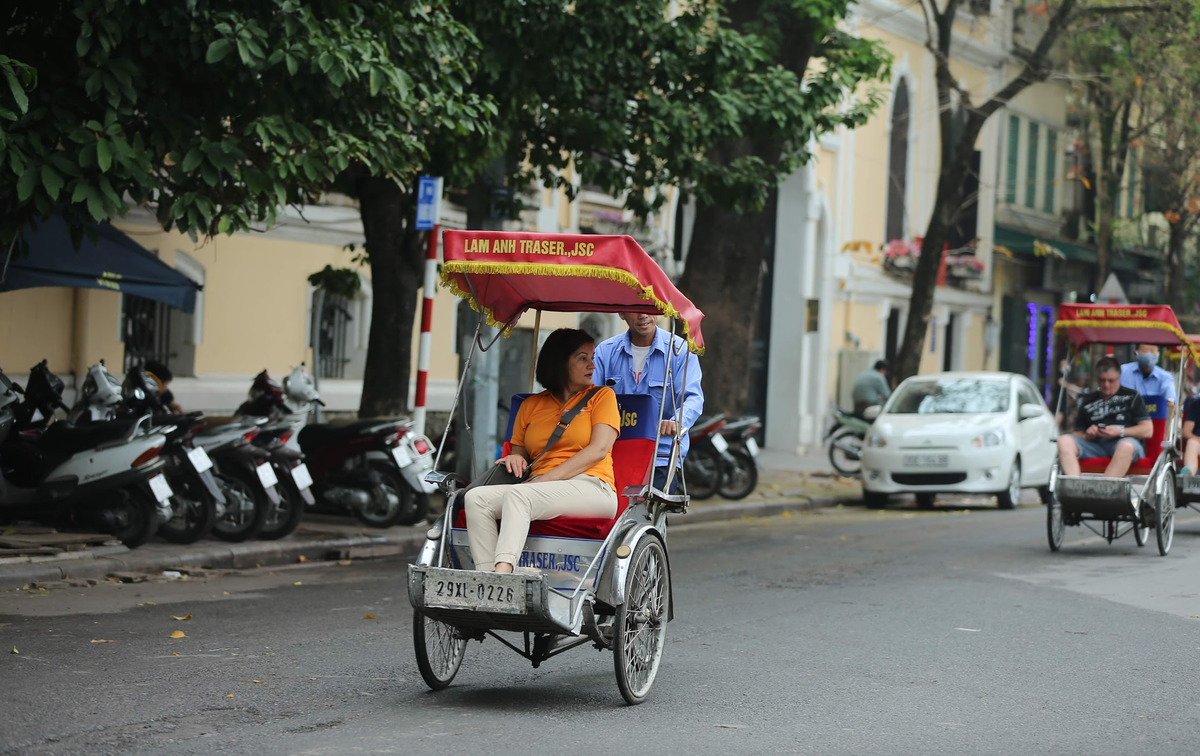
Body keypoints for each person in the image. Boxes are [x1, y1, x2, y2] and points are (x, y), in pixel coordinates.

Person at [465, 328, 619, 573]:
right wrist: (516, 457)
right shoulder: (531, 405)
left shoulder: (601, 397)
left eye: (592, 357)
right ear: (560, 363)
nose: (592, 364)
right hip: (540, 489)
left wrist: (543, 481)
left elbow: (598, 449)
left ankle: (502, 575)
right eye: (583, 358)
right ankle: (486, 577)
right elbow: (520, 453)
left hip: (592, 487)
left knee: (518, 496)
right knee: (475, 499)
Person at [592, 312, 703, 493]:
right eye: (636, 309)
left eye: (649, 308)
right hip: (613, 454)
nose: (643, 315)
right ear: (621, 314)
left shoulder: (679, 350)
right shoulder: (605, 351)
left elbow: (693, 398)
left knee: (649, 512)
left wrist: (676, 421)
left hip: (660, 456)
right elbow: (590, 399)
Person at [1057, 357, 1153, 477]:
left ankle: (1105, 488)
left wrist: (1120, 431)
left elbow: (1148, 430)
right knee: (1064, 440)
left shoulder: (1132, 397)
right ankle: (1074, 486)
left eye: (1111, 381)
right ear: (1097, 379)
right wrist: (1087, 435)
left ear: (1118, 379)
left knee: (1126, 446)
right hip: (1095, 445)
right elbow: (1077, 433)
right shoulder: (1087, 401)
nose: (1106, 385)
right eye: (1102, 380)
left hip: (1124, 442)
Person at [1120, 343, 1175, 419]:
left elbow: (1170, 401)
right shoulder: (1122, 371)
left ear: (1158, 354)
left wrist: (1170, 403)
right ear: (1136, 353)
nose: (1149, 354)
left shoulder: (1165, 377)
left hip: (1154, 421)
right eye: (1144, 350)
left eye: (1153, 351)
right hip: (1125, 419)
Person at [1181, 394, 1199, 477]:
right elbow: (1186, 431)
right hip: (1198, 442)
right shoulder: (1197, 404)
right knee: (1191, 443)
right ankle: (1188, 475)